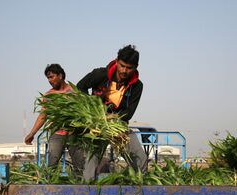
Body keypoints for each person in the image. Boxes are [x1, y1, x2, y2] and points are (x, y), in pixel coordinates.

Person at [77, 45, 148, 178]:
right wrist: (91, 107)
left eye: (129, 68)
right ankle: (87, 190)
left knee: (140, 158)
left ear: (135, 67)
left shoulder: (137, 86)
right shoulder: (100, 74)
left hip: (118, 126)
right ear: (116, 61)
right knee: (91, 162)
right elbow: (80, 87)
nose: (124, 71)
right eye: (122, 66)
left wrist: (112, 119)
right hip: (98, 125)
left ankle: (142, 187)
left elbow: (129, 112)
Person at [24, 64, 85, 177]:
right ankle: (50, 187)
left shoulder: (74, 92)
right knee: (52, 163)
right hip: (57, 134)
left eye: (52, 77)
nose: (49, 80)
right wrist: (32, 133)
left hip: (74, 134)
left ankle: (79, 188)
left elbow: (84, 113)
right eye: (48, 78)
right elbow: (43, 116)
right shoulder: (49, 96)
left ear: (60, 75)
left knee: (80, 164)